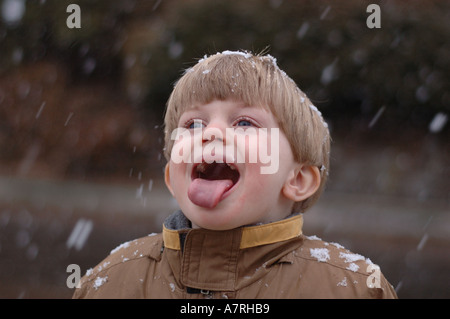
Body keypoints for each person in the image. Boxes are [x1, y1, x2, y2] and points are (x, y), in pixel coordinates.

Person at [73, 50, 398, 299]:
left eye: (244, 123)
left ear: (297, 180)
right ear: (172, 177)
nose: (211, 132)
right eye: (193, 124)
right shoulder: (110, 282)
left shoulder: (353, 288)